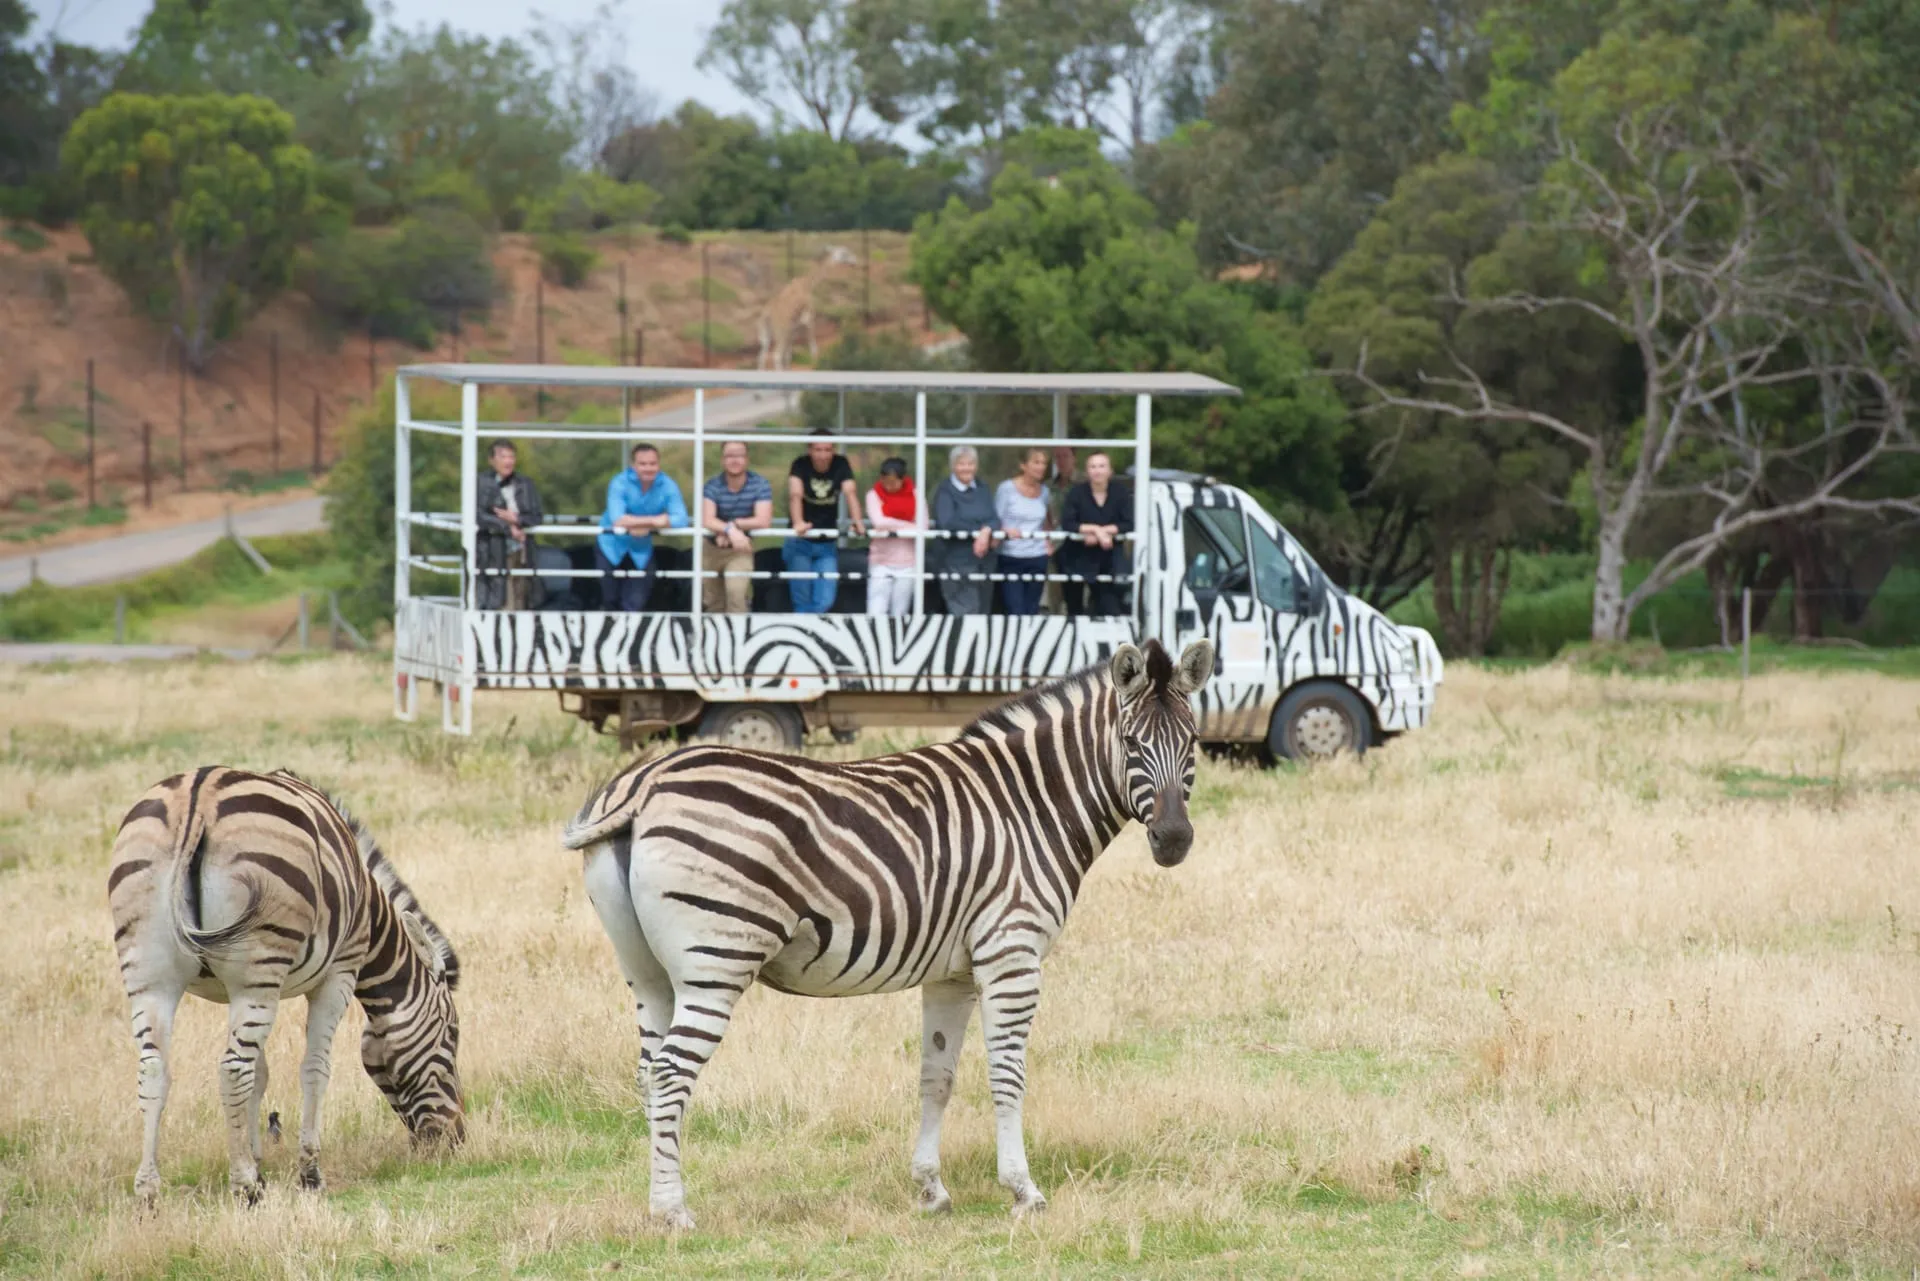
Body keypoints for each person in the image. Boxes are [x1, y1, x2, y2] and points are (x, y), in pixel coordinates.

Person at [597, 443, 688, 612]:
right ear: (634, 465)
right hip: (611, 545)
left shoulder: (668, 485)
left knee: (635, 602)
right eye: (643, 464)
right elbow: (618, 519)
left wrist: (643, 524)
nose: (648, 468)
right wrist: (656, 521)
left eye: (652, 464)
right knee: (609, 598)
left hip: (641, 549)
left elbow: (681, 518)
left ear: (658, 464)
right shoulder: (619, 482)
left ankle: (631, 637)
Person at [785, 434, 865, 613]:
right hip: (800, 541)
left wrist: (857, 521)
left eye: (828, 450)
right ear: (810, 450)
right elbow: (795, 494)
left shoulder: (841, 463)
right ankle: (806, 637)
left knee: (825, 600)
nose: (823, 455)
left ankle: (812, 635)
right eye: (818, 450)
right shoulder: (800, 464)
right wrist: (798, 523)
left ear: (833, 450)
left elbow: (850, 493)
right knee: (802, 601)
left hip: (826, 543)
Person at [700, 440, 774, 614]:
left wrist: (734, 525)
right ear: (722, 460)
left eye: (739, 455)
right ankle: (716, 640)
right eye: (730, 456)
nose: (735, 460)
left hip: (741, 548)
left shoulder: (760, 484)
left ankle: (738, 639)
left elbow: (763, 520)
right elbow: (707, 519)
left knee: (736, 595)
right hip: (711, 549)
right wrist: (729, 530)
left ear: (747, 459)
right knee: (712, 603)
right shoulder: (712, 485)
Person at [1057, 451, 1134, 617]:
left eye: (1101, 466)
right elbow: (1068, 523)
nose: (1097, 471)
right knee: (1074, 608)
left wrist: (1105, 532)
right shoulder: (1076, 492)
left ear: (1110, 471)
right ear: (1087, 471)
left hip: (1108, 559)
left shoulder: (1120, 492)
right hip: (1076, 557)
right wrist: (1096, 531)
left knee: (1108, 606)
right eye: (1093, 466)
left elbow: (1128, 523)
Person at [475, 439, 545, 611]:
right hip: (492, 548)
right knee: (498, 596)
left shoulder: (525, 483)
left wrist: (516, 519)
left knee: (521, 595)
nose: (508, 461)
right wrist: (506, 528)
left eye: (511, 457)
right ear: (492, 460)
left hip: (521, 550)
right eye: (503, 457)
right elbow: (478, 515)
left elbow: (537, 516)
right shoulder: (481, 483)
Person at [933, 444, 996, 615]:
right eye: (961, 464)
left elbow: (994, 518)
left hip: (984, 562)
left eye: (970, 464)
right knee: (966, 615)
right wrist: (980, 531)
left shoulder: (983, 488)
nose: (966, 468)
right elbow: (948, 523)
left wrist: (987, 531)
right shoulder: (945, 490)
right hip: (956, 562)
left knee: (983, 613)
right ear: (953, 466)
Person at [994, 447, 1053, 615]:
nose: (1041, 467)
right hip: (1012, 557)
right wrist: (1006, 530)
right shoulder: (1006, 489)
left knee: (1032, 609)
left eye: (1044, 463)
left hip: (1037, 558)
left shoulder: (1045, 492)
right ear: (1023, 465)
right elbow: (994, 520)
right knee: (1015, 609)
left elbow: (1047, 522)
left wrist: (1048, 542)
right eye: (1036, 462)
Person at [864, 457, 923, 618]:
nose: (888, 486)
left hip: (907, 562)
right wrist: (909, 525)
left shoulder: (916, 494)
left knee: (900, 613)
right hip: (880, 561)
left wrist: (892, 525)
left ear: (902, 479)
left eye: (893, 482)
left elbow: (923, 525)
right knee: (876, 611)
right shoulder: (873, 495)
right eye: (885, 481)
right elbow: (878, 521)